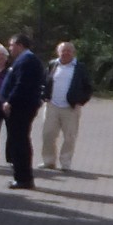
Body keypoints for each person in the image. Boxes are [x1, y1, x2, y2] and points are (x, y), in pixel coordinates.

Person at [0, 33, 45, 190]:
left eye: (11, 45)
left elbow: (21, 85)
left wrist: (9, 101)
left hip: (21, 107)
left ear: (19, 45)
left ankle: (23, 178)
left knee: (19, 142)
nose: (9, 48)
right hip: (21, 106)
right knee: (18, 141)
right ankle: (22, 177)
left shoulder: (27, 61)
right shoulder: (24, 60)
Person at [39, 41, 94, 172]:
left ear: (73, 53)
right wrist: (43, 95)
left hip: (71, 107)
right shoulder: (53, 64)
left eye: (69, 51)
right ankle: (48, 161)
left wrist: (81, 101)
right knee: (48, 134)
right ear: (58, 52)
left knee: (69, 136)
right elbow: (44, 81)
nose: (65, 53)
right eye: (63, 50)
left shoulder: (79, 67)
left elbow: (88, 87)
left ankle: (65, 162)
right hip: (52, 105)